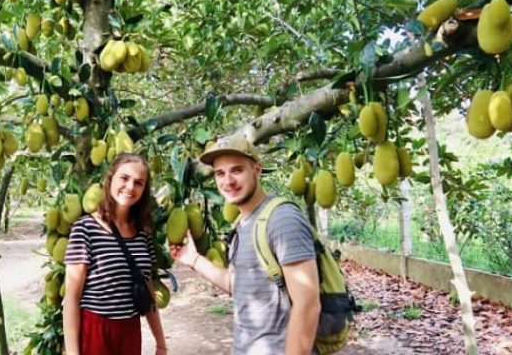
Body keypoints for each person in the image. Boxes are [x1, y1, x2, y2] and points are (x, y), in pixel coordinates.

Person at [169, 135, 321, 355]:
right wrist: (194, 260)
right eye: (220, 173)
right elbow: (239, 284)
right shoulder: (243, 223)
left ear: (257, 170)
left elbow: (308, 305)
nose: (228, 181)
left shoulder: (282, 219)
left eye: (237, 170)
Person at [63, 152, 167, 355]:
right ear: (110, 178)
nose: (130, 187)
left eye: (139, 182)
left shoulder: (142, 234)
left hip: (129, 331)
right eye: (124, 178)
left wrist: (160, 342)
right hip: (95, 330)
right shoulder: (85, 229)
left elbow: (148, 290)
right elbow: (71, 299)